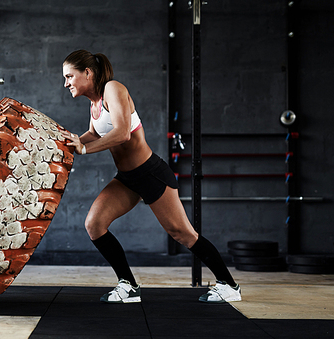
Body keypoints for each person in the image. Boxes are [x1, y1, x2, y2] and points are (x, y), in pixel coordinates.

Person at [60, 50, 241, 304]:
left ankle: (229, 285)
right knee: (94, 224)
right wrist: (68, 143)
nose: (66, 83)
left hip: (150, 173)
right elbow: (93, 133)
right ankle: (129, 285)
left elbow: (122, 133)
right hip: (126, 179)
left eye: (69, 76)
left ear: (87, 73)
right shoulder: (94, 104)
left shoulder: (113, 89)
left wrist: (84, 148)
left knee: (182, 233)